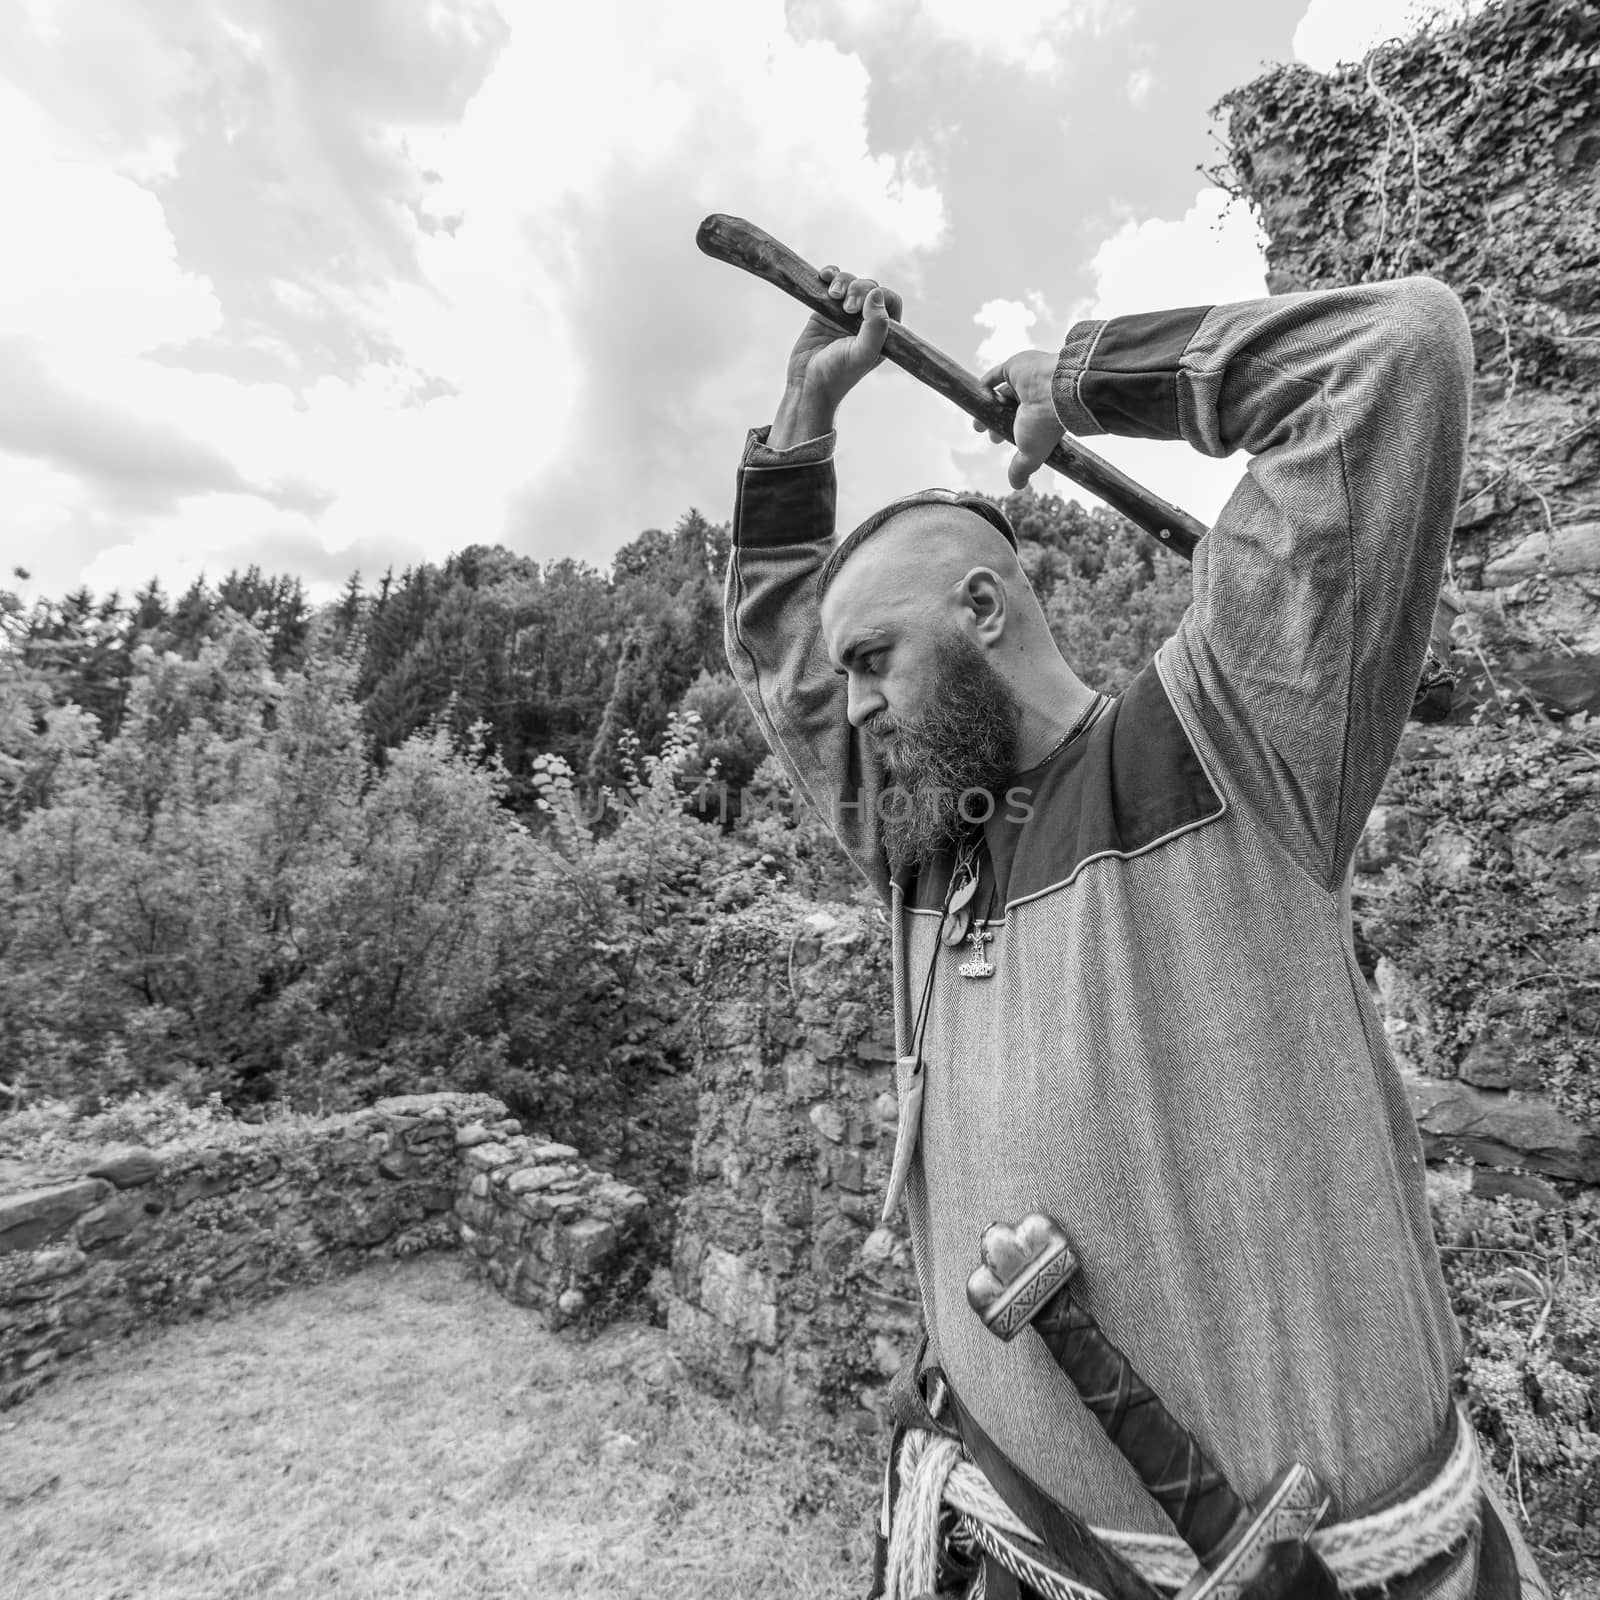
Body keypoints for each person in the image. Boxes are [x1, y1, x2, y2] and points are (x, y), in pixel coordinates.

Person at [723, 265, 1549, 1600]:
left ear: (985, 612)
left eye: (874, 658)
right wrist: (803, 412)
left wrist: (1089, 373)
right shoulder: (925, 836)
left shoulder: (1238, 739)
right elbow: (780, 656)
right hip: (992, 1533)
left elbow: (1394, 355)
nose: (853, 704)